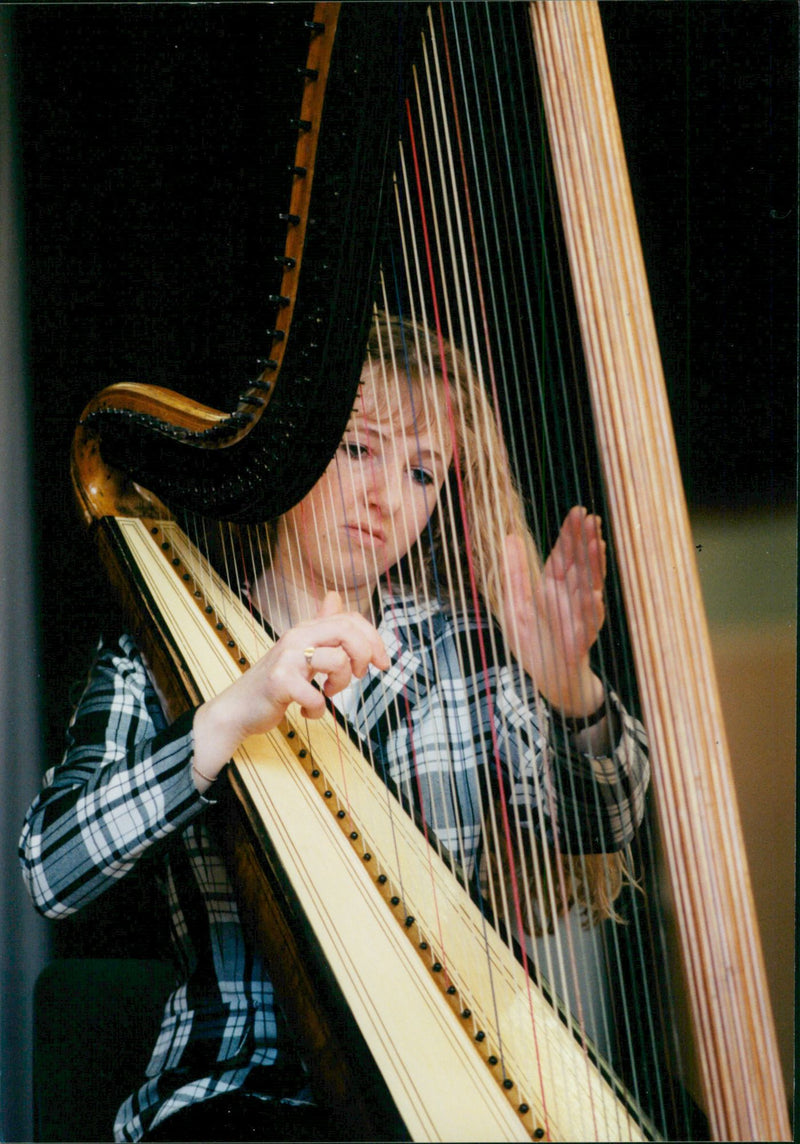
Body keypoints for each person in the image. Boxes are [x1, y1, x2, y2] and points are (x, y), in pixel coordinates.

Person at [20, 312, 649, 1142]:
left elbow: (607, 816)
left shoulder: (463, 655)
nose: (387, 499)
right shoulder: (156, 658)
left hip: (441, 1095)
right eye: (358, 450)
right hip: (229, 1092)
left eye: (424, 473)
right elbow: (51, 871)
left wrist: (569, 687)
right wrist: (236, 710)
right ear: (289, 456)